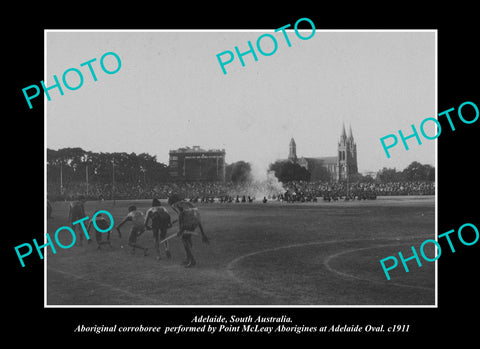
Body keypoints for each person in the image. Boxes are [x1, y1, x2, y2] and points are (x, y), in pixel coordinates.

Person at [168, 195, 209, 268]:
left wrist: (180, 229)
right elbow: (195, 216)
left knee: (184, 239)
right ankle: (188, 258)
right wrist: (203, 233)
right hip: (195, 221)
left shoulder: (175, 205)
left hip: (188, 221)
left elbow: (181, 215)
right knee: (187, 237)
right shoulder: (189, 203)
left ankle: (192, 260)